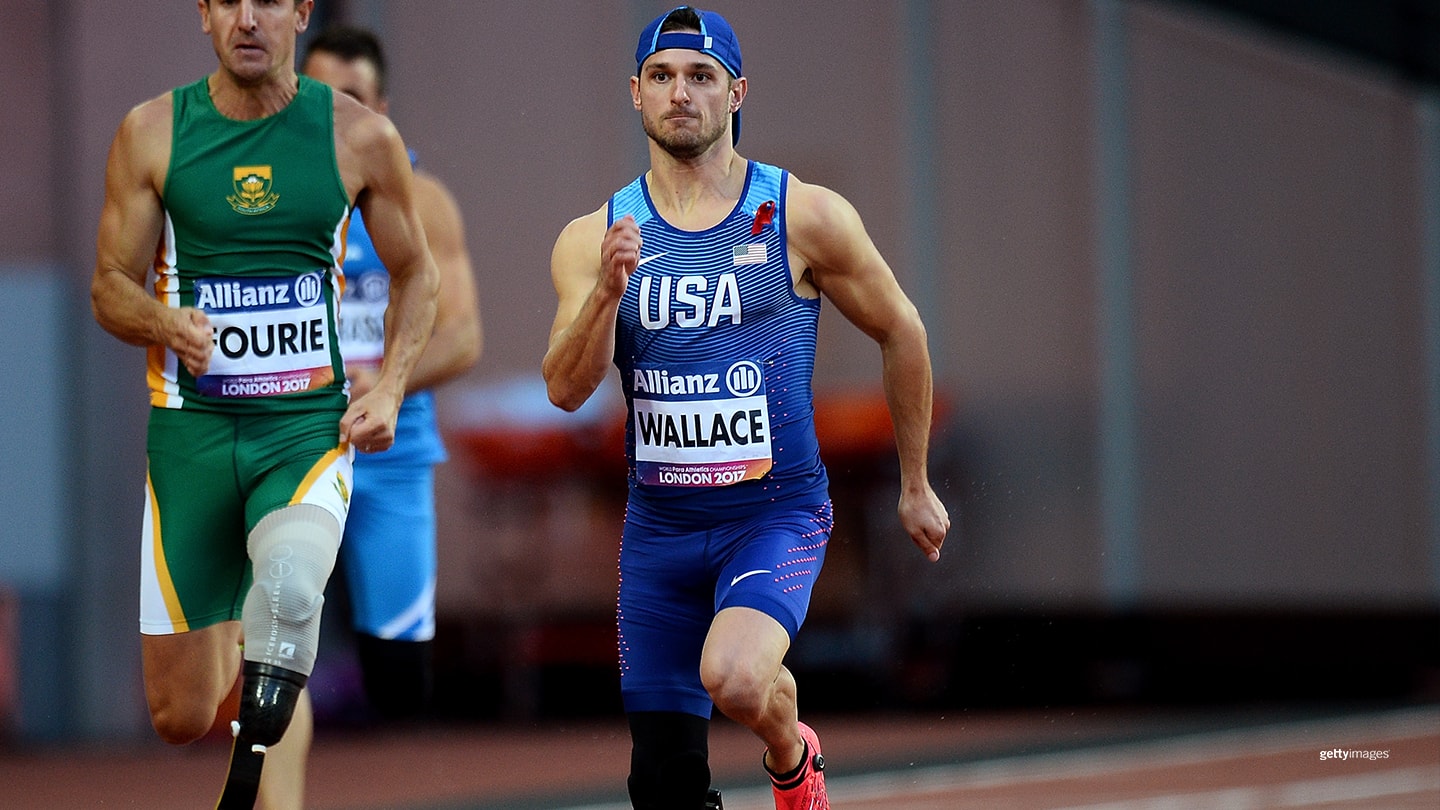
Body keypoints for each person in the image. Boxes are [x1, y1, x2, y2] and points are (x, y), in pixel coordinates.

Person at [540, 7, 950, 810]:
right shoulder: (595, 236)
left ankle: (790, 757)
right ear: (635, 93)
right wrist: (607, 295)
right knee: (661, 788)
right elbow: (564, 388)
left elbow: (902, 329)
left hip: (773, 516)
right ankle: (779, 748)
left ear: (736, 93)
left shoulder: (802, 214)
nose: (680, 93)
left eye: (701, 76)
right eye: (662, 76)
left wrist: (915, 483)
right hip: (659, 533)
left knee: (731, 676)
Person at [90, 1, 439, 808]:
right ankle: (235, 628)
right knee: (180, 714)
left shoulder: (359, 136)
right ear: (204, 13)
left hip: (303, 432)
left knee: (287, 589)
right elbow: (109, 286)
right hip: (190, 438)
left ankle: (250, 790)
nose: (249, 19)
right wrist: (165, 322)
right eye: (230, 2)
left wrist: (391, 385)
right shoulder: (152, 132)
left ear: (302, 12)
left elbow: (417, 272)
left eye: (271, 2)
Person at [301, 23, 482, 727]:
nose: (336, 115)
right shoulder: (265, 195)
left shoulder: (423, 201)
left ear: (381, 109)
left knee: (400, 683)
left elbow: (462, 337)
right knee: (270, 649)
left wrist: (385, 382)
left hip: (390, 454)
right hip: (290, 447)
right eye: (321, 97)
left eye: (353, 99)